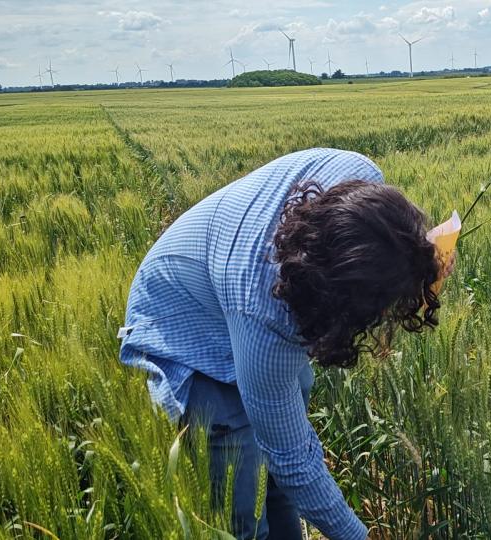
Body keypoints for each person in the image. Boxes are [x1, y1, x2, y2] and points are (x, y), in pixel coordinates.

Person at [118, 148, 451, 540]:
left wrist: (426, 256)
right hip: (186, 326)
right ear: (337, 307)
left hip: (226, 283)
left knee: (277, 474)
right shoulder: (267, 324)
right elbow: (293, 459)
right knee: (242, 514)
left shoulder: (358, 176)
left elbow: (389, 244)